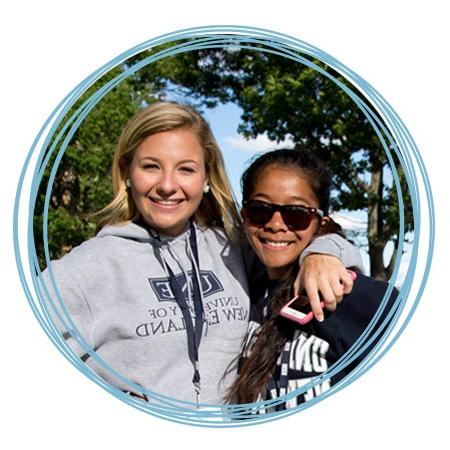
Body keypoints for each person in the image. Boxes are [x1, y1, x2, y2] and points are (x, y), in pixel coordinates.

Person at [41, 102, 362, 408]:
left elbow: (299, 243)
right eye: (151, 166)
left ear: (207, 177)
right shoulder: (81, 272)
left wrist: (321, 255)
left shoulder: (232, 247)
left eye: (186, 169)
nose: (167, 185)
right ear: (127, 172)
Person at [226, 148, 398, 411]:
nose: (275, 224)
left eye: (295, 214)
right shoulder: (241, 287)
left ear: (320, 222)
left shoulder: (354, 295)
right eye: (260, 210)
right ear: (244, 215)